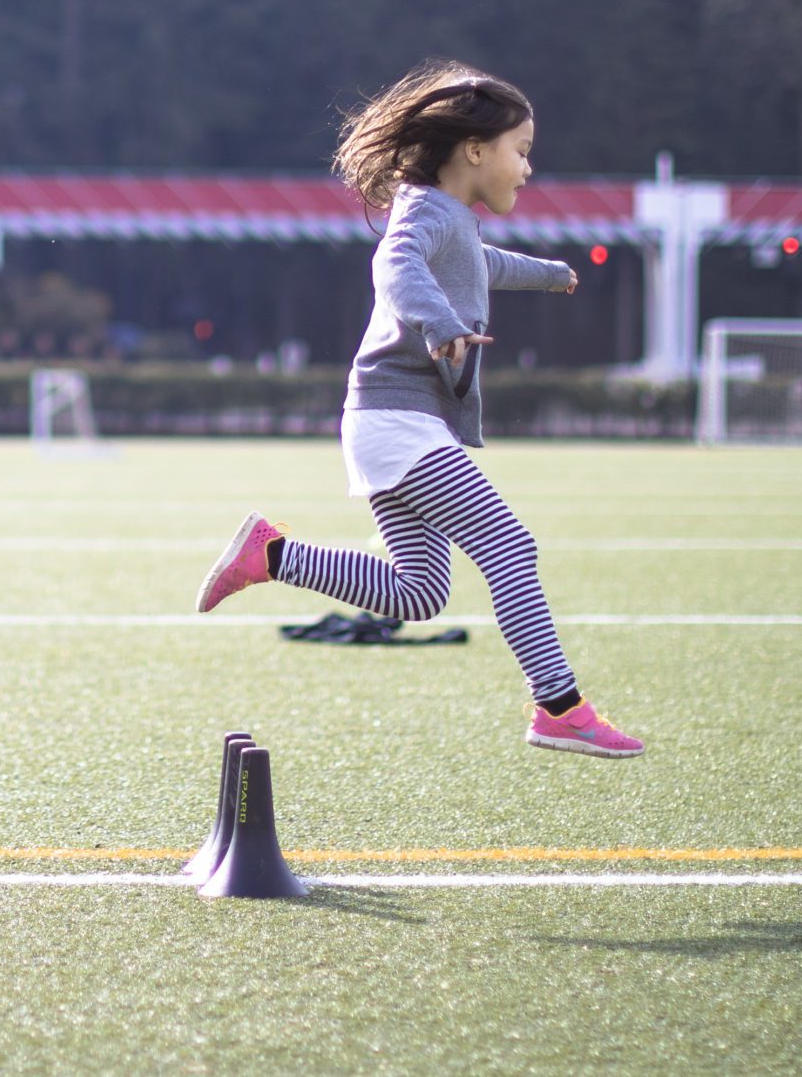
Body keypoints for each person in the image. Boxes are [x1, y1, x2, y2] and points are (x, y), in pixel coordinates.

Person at [193, 60, 644, 759]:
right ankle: (560, 706)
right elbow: (395, 268)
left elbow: (481, 264)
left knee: (420, 592)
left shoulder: (450, 219)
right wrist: (438, 324)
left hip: (392, 423)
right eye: (521, 151)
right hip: (395, 420)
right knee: (510, 546)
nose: (527, 169)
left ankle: (273, 554)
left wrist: (550, 274)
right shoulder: (426, 213)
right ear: (474, 149)